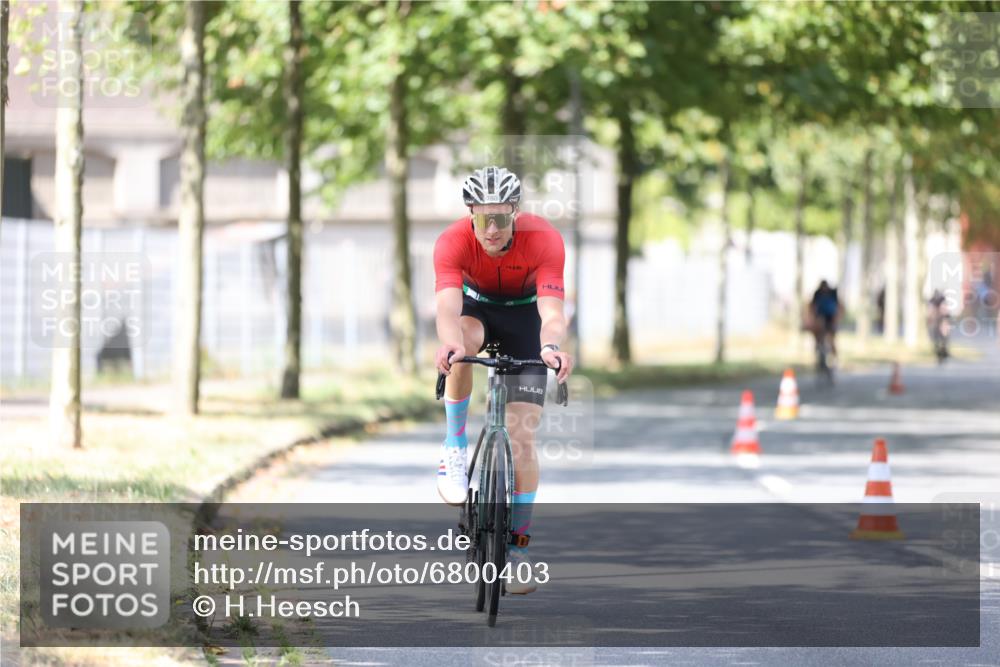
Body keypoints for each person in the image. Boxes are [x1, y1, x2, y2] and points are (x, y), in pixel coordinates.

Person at [432, 165, 573, 595]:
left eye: (501, 218)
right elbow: (446, 310)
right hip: (478, 311)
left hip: (526, 320)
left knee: (521, 436)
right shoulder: (451, 242)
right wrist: (451, 345)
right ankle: (455, 447)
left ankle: (518, 548)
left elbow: (551, 313)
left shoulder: (544, 238)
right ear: (469, 214)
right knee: (462, 343)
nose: (491, 229)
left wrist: (550, 347)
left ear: (515, 212)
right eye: (481, 219)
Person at [810, 280, 842, 358]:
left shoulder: (833, 294)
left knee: (832, 338)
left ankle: (834, 357)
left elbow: (838, 307)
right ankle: (819, 348)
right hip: (821, 316)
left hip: (830, 317)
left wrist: (836, 319)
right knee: (819, 332)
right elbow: (813, 307)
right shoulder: (817, 294)